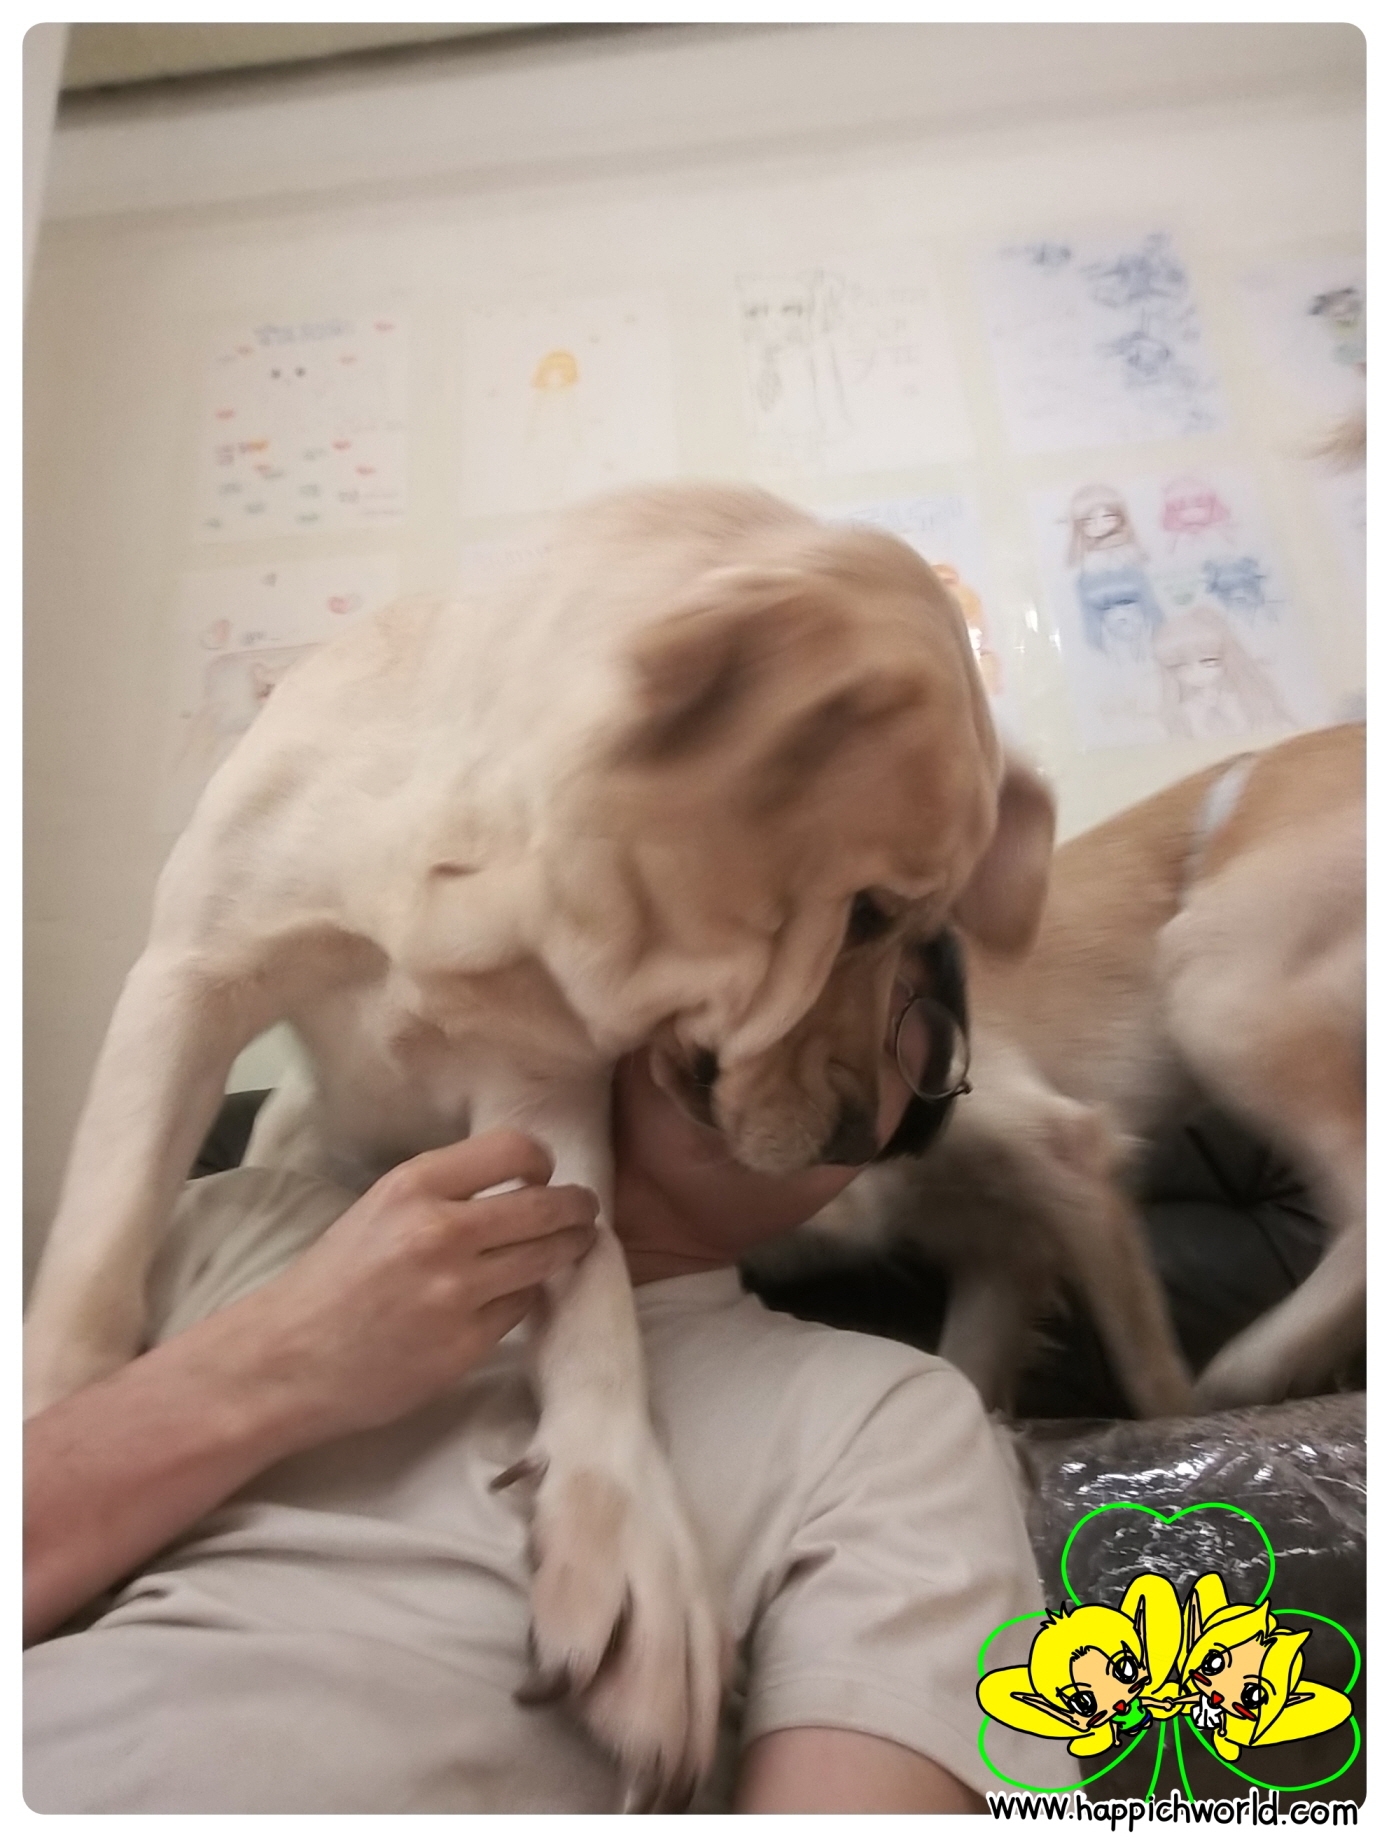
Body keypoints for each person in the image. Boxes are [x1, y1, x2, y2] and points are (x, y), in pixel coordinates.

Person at [24, 941, 1075, 1813]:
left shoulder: (892, 1420)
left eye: (900, 1043)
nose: (809, 1032)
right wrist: (279, 1359)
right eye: (780, 956)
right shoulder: (227, 1218)